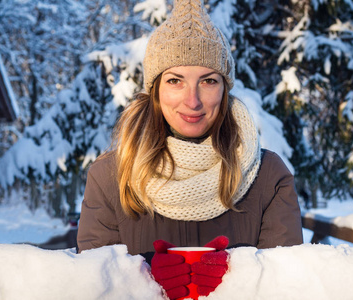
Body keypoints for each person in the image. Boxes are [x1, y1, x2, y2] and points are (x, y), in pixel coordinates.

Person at [77, 0, 303, 298]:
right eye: (175, 81)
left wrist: (239, 280)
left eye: (208, 81)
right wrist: (143, 284)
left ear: (224, 89)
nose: (192, 101)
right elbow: (95, 286)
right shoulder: (109, 178)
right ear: (155, 90)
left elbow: (289, 285)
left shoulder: (268, 176)